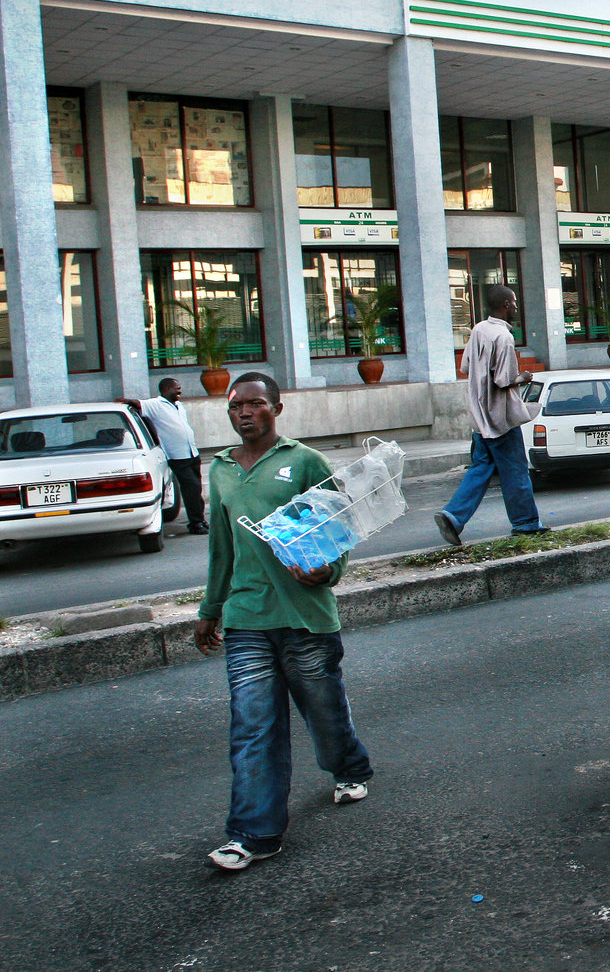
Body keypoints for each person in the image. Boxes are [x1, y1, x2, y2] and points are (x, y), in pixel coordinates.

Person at [195, 372, 373, 871]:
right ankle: (254, 833)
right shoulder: (222, 469)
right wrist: (211, 609)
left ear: (277, 408)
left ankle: (349, 766)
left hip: (304, 616)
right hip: (247, 616)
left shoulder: (304, 462)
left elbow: (341, 526)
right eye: (236, 407)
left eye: (255, 405)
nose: (245, 414)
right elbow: (221, 547)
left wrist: (328, 571)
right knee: (252, 725)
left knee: (322, 710)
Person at [435, 285, 545, 545]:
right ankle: (526, 523)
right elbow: (503, 381)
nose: (517, 306)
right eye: (514, 302)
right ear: (506, 304)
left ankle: (453, 515)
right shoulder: (504, 338)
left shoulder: (478, 330)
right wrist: (524, 377)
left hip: (479, 414)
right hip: (500, 417)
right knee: (516, 469)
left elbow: (465, 367)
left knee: (481, 466)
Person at [119, 377, 206, 535]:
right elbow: (137, 403)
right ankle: (195, 523)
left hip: (192, 453)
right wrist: (123, 401)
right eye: (176, 388)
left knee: (196, 487)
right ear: (166, 389)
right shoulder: (155, 404)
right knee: (191, 488)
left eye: (179, 388)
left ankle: (200, 519)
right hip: (177, 456)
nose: (179, 391)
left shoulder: (178, 405)